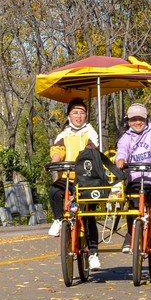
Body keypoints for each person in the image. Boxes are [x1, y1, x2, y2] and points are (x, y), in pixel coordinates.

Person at [47, 97, 103, 270]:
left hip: (87, 178)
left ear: (86, 115)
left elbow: (92, 149)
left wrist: (85, 158)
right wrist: (55, 162)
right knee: (54, 191)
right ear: (69, 115)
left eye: (82, 112)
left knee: (87, 216)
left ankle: (93, 253)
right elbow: (57, 151)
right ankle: (58, 219)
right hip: (68, 178)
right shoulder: (63, 135)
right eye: (75, 112)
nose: (78, 116)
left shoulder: (91, 133)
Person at [115, 103, 151, 258]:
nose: (137, 122)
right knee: (132, 204)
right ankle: (130, 236)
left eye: (140, 118)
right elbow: (122, 150)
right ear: (128, 121)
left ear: (146, 118)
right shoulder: (126, 137)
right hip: (136, 180)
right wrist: (120, 159)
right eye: (133, 119)